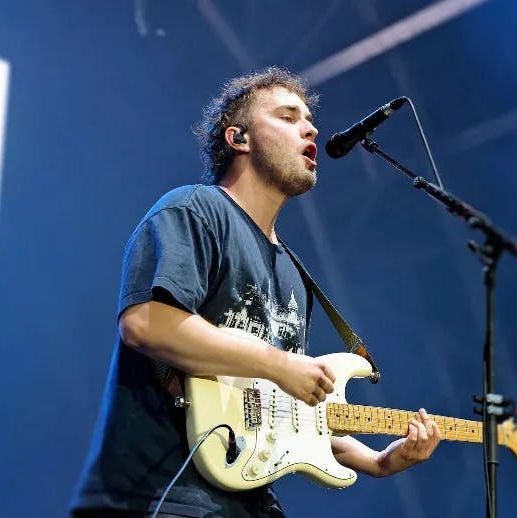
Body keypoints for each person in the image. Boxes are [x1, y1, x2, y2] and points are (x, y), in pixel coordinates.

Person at [70, 67, 441, 518]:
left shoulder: (293, 271)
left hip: (244, 504)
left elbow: (283, 410)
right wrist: (280, 364)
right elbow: (146, 324)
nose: (311, 128)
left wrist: (378, 462)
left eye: (308, 118)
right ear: (239, 139)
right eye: (288, 117)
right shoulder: (195, 210)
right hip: (163, 500)